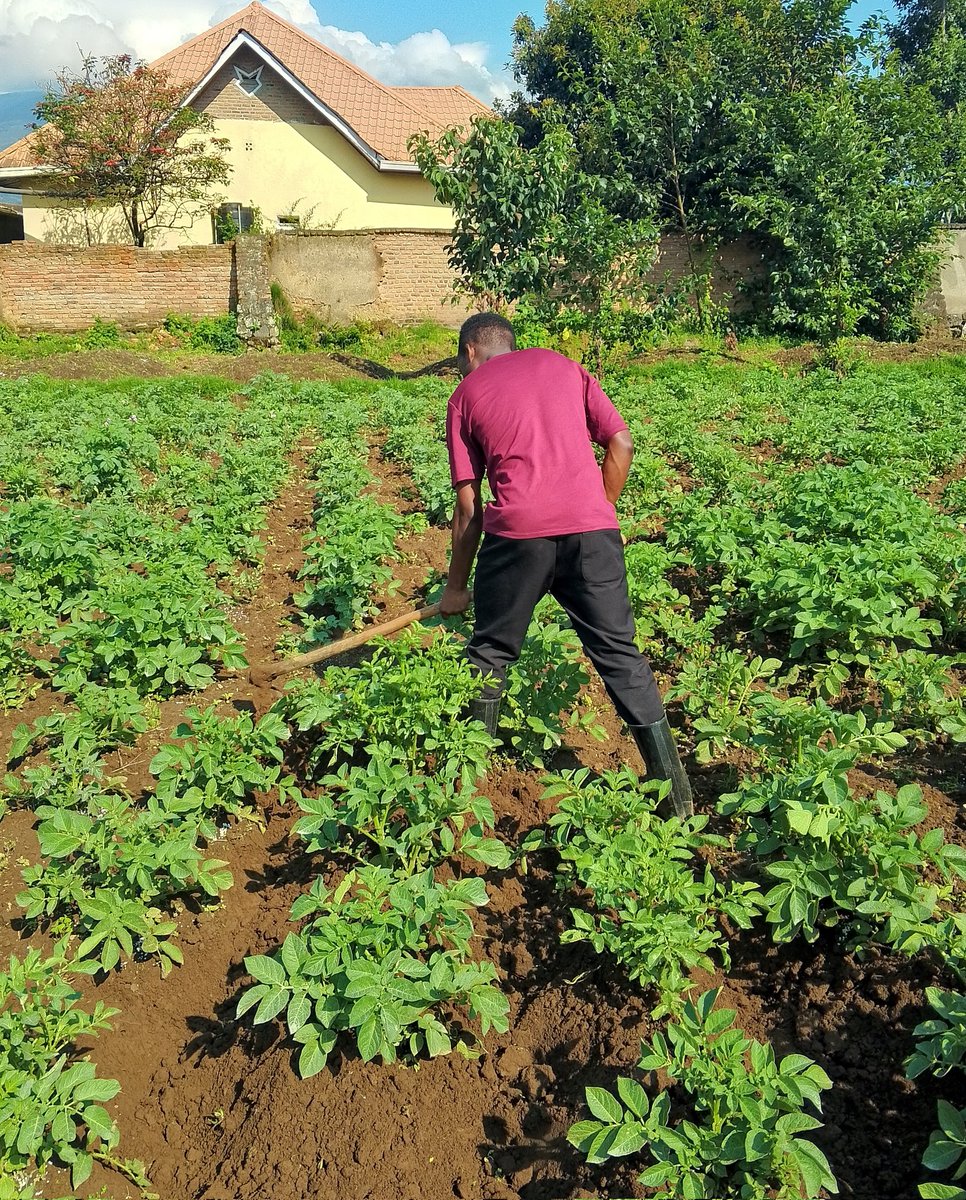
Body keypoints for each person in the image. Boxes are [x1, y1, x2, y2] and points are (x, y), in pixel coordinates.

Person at [438, 311, 693, 819]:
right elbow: (621, 443)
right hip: (592, 534)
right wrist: (601, 509)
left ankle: (462, 798)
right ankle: (677, 798)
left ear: (470, 353)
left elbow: (469, 507)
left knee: (490, 651)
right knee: (620, 653)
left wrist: (455, 588)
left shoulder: (464, 396)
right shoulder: (566, 366)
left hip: (518, 538)